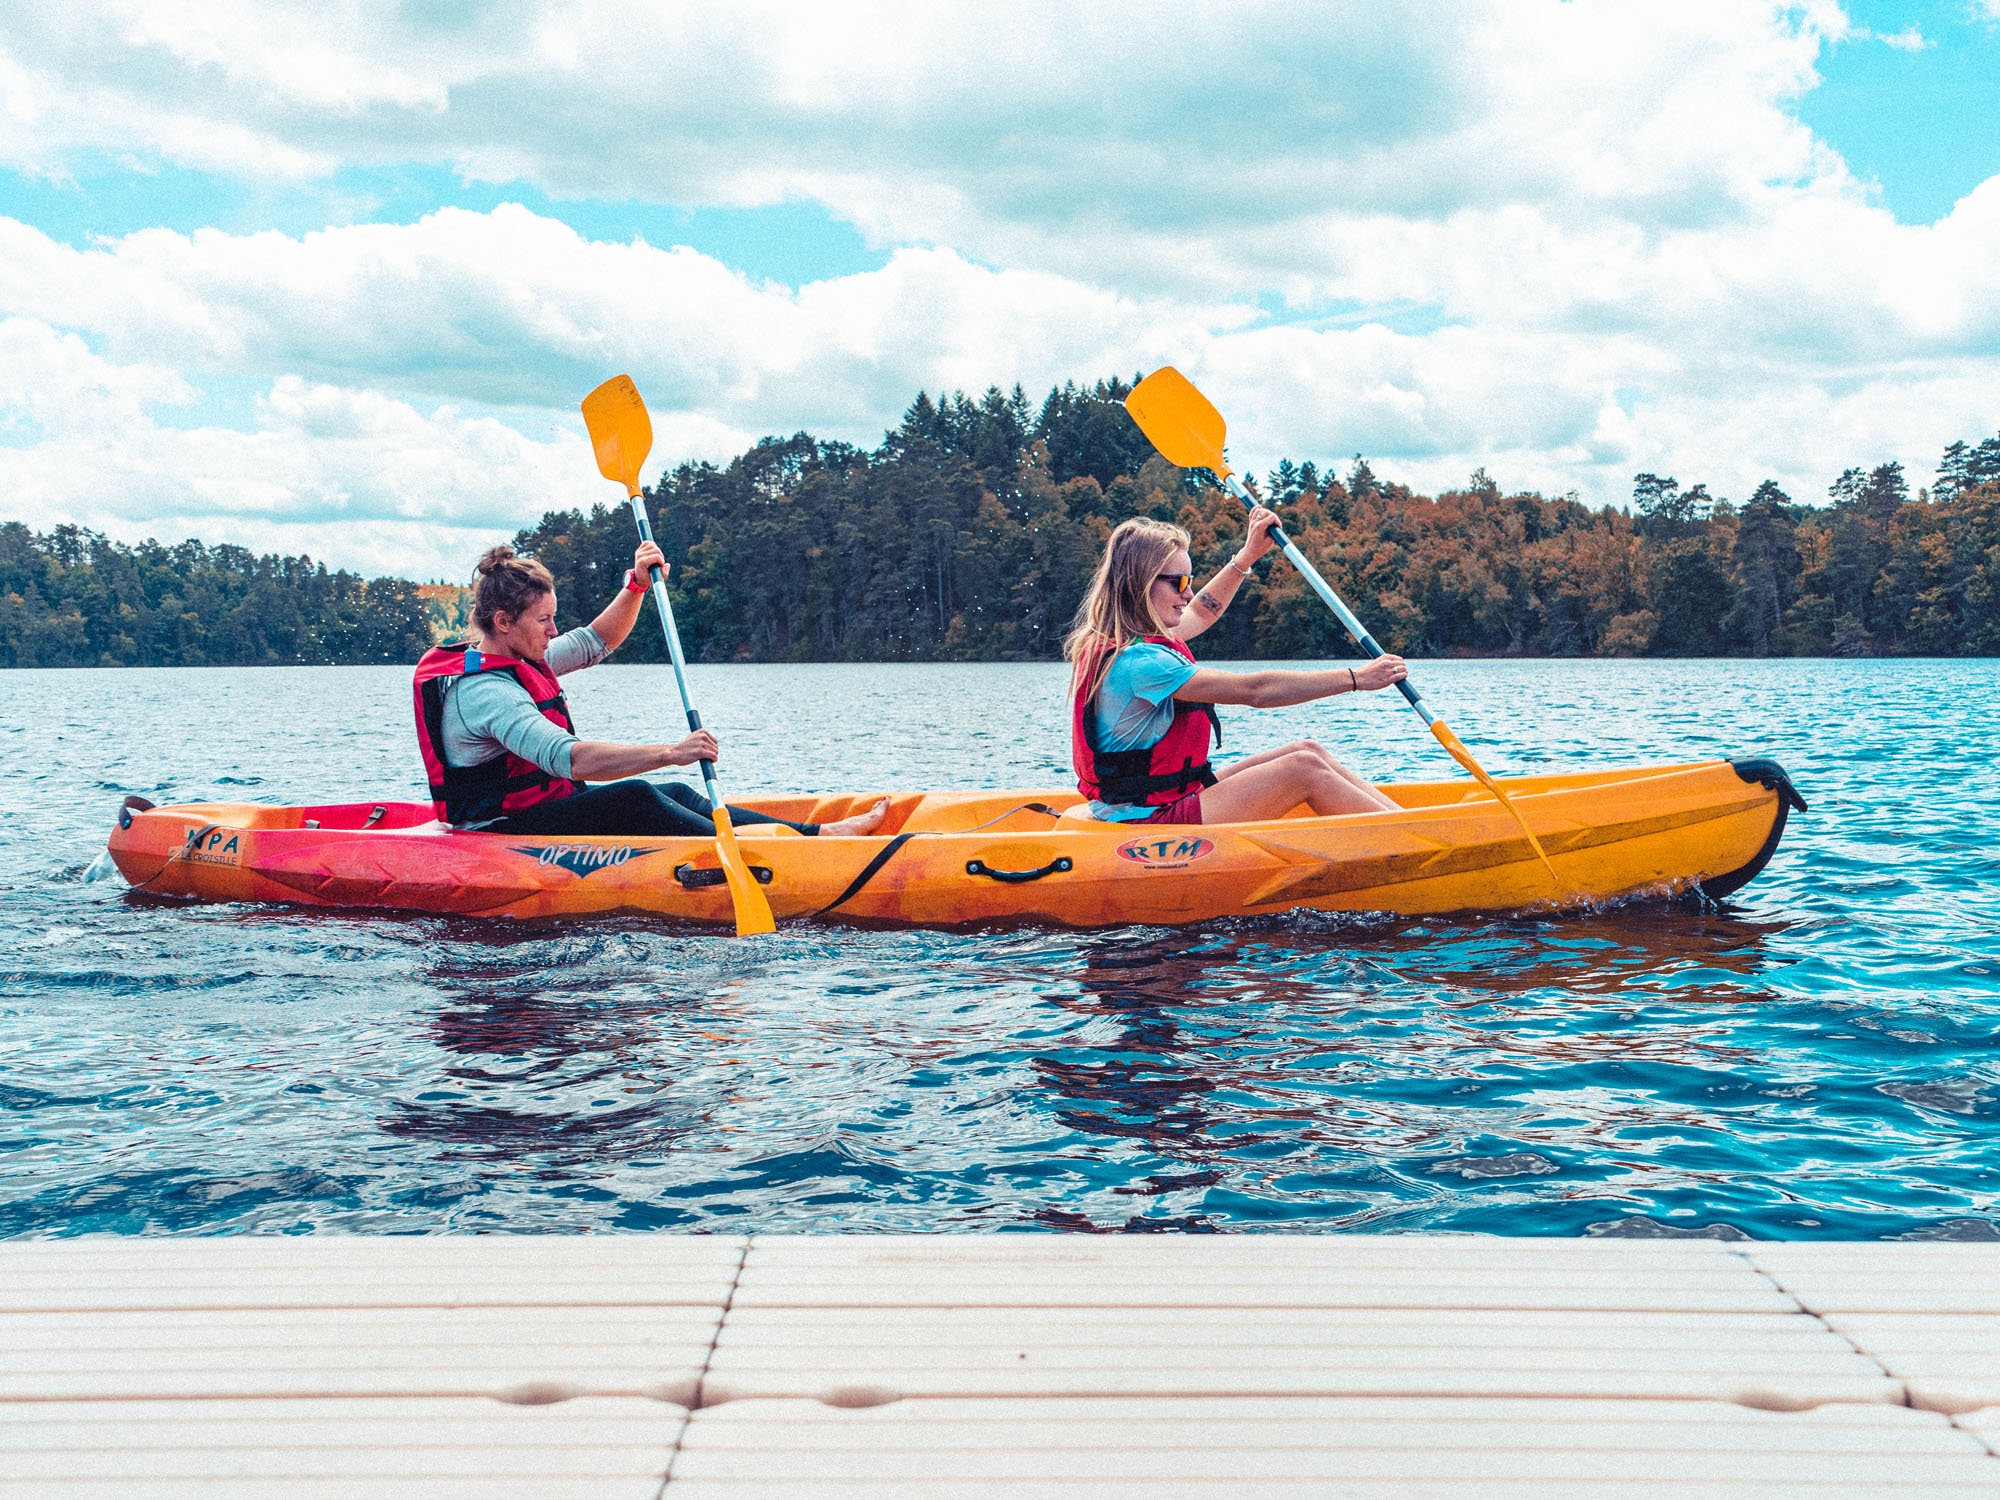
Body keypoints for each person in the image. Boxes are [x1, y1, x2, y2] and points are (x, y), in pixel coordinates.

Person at [413, 543, 888, 838]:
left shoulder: (520, 657)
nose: (554, 631)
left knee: (676, 793)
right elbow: (571, 760)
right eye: (544, 621)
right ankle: (750, 850)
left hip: (542, 814)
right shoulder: (486, 693)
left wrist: (636, 585)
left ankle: (815, 834)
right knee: (636, 796)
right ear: (502, 622)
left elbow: (598, 640)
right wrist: (669, 751)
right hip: (496, 833)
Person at [1065, 510, 1408, 825]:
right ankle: (1414, 838)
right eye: (1179, 583)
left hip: (1166, 798)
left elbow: (1201, 612)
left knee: (1307, 751)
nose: (1188, 593)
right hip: (1148, 818)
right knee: (1303, 770)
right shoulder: (1139, 662)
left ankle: (1411, 823)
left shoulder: (1127, 637)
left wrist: (1248, 555)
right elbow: (1254, 691)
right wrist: (1356, 679)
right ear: (1138, 585)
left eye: (1190, 581)